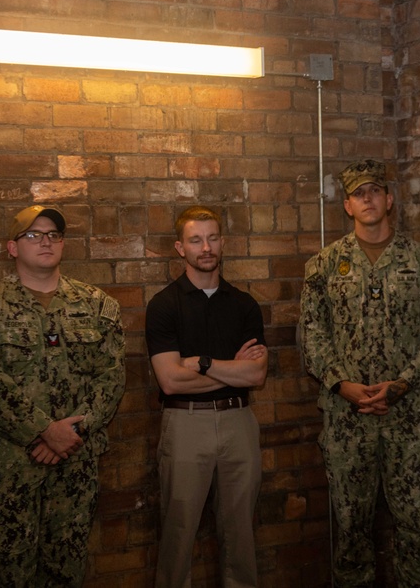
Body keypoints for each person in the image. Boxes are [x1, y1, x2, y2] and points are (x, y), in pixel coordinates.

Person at [300, 159, 420, 588]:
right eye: (357, 193)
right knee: (350, 528)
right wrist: (341, 384)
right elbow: (312, 337)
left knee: (416, 525)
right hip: (347, 419)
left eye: (375, 191)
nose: (367, 199)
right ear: (347, 206)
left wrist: (402, 383)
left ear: (389, 199)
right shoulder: (324, 267)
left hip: (409, 419)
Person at [0, 205, 125, 587]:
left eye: (53, 234)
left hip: (75, 463)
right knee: (8, 573)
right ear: (12, 248)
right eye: (33, 235)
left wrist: (71, 432)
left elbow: (112, 376)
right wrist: (42, 430)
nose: (46, 242)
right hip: (9, 467)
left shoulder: (97, 305)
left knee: (66, 569)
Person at [145, 205, 267, 588]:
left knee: (241, 533)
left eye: (213, 238)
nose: (206, 247)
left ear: (223, 242)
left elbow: (256, 374)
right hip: (185, 424)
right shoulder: (164, 305)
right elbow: (170, 382)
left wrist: (201, 362)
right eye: (196, 240)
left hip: (238, 423)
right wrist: (232, 371)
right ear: (180, 248)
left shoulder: (245, 304)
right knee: (178, 531)